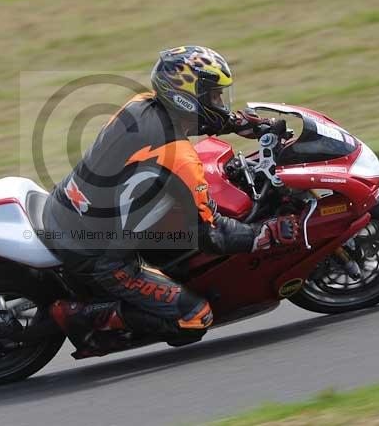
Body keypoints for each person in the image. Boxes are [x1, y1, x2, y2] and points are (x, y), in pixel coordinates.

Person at [42, 45, 301, 357]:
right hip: (98, 254)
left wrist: (243, 123)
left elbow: (195, 118)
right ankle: (83, 316)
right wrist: (268, 233)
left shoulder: (140, 105)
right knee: (195, 318)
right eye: (214, 96)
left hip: (67, 208)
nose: (219, 102)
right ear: (186, 96)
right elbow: (213, 235)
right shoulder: (178, 158)